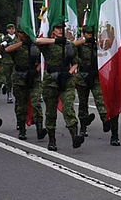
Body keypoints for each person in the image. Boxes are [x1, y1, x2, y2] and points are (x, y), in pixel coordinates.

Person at [36, 23, 84, 151]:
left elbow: (76, 63)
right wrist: (56, 41)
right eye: (57, 28)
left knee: (69, 108)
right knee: (51, 111)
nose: (60, 30)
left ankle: (74, 136)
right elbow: (38, 41)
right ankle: (52, 140)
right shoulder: (48, 44)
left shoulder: (69, 45)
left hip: (66, 79)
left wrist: (68, 73)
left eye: (62, 28)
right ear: (53, 31)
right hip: (50, 80)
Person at [5, 28, 47, 140]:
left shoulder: (35, 44)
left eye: (25, 33)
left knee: (36, 102)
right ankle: (22, 129)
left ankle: (39, 127)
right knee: (21, 105)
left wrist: (36, 70)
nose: (23, 35)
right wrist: (22, 43)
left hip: (34, 77)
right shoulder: (15, 43)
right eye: (21, 33)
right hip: (20, 77)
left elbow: (42, 59)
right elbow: (7, 50)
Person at [74, 25, 113, 143]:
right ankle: (83, 126)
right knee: (83, 103)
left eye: (90, 33)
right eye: (86, 33)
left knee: (100, 99)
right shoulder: (80, 45)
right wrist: (85, 41)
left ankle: (105, 120)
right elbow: (71, 46)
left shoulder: (98, 46)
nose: (88, 35)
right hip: (82, 77)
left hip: (95, 76)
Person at [1, 23, 16, 103]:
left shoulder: (17, 37)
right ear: (7, 30)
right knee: (8, 78)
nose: (11, 30)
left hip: (16, 60)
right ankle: (9, 93)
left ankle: (15, 93)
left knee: (16, 78)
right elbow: (0, 48)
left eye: (13, 28)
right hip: (7, 60)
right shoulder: (4, 38)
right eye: (10, 29)